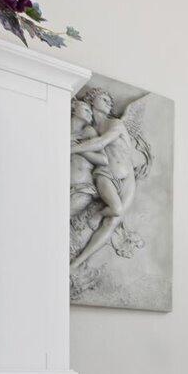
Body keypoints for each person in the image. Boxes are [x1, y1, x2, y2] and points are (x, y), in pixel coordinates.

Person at [69, 88, 137, 269]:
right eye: (103, 98)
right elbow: (95, 150)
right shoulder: (90, 129)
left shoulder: (115, 123)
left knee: (112, 221)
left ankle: (76, 263)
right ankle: (96, 213)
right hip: (104, 174)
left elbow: (100, 143)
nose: (109, 103)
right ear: (92, 101)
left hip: (127, 178)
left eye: (110, 101)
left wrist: (71, 148)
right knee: (116, 209)